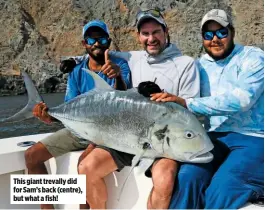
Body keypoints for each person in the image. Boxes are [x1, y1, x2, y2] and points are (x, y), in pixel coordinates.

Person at [66, 9, 200, 209]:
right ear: (138, 37)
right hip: (126, 137)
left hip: (163, 143)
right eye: (145, 34)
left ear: (166, 31)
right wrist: (74, 60)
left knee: (164, 181)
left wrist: (167, 98)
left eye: (156, 32)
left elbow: (190, 110)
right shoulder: (134, 58)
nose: (151, 38)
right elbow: (98, 51)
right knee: (87, 167)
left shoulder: (185, 64)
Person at [24, 20, 131, 210]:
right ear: (84, 44)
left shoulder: (120, 66)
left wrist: (118, 77)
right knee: (32, 156)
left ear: (109, 41)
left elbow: (123, 103)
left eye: (101, 39)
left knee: (84, 163)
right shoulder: (76, 72)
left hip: (107, 131)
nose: (97, 43)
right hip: (79, 128)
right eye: (91, 39)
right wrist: (49, 116)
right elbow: (69, 108)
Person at [166, 9, 264, 209]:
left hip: (252, 137)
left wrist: (188, 103)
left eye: (221, 32)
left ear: (232, 32)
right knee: (186, 179)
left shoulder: (253, 57)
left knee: (222, 189)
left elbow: (243, 99)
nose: (215, 39)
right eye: (208, 35)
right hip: (211, 140)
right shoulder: (198, 66)